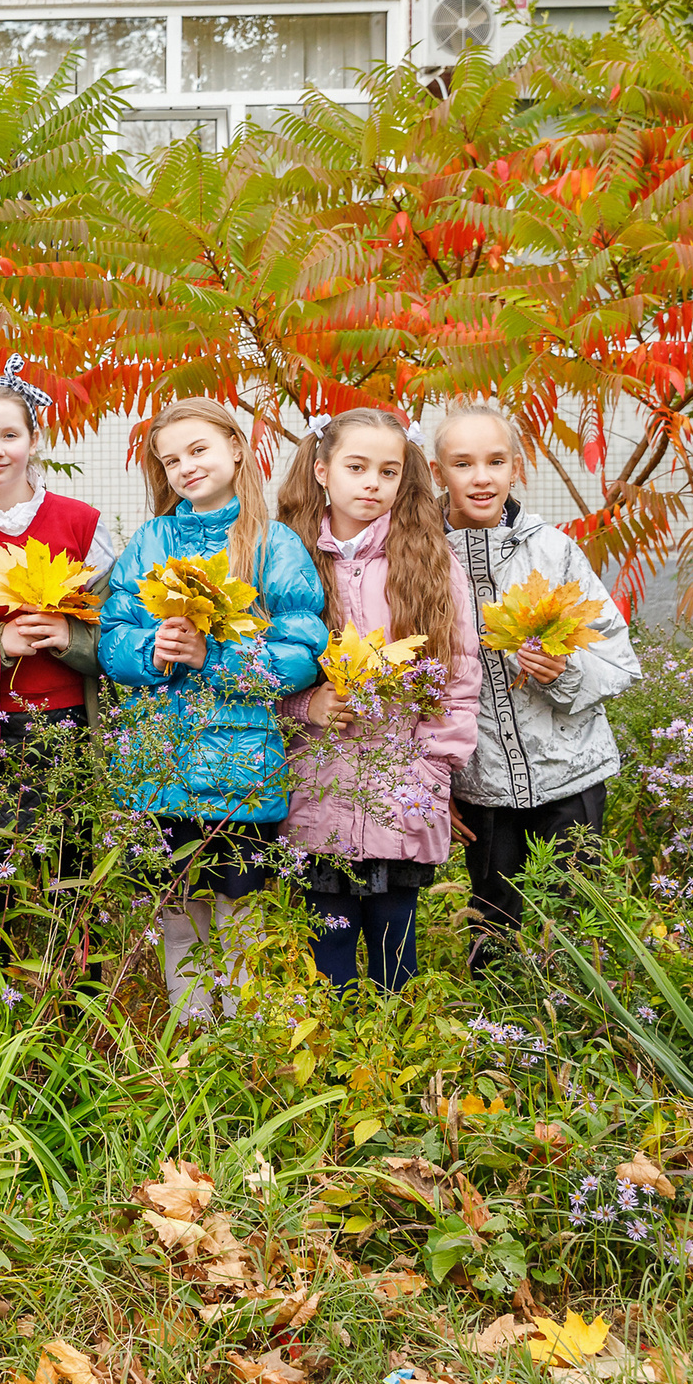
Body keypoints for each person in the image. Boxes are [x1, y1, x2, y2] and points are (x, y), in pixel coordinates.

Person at [98, 396, 326, 1023]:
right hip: (156, 765)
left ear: (235, 446)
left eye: (198, 450)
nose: (186, 468)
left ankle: (243, 1051)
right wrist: (153, 650)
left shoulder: (274, 545)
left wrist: (214, 656)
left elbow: (302, 654)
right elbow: (112, 639)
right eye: (171, 460)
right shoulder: (149, 540)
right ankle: (192, 1044)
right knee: (178, 919)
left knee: (240, 918)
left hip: (241, 769)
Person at [275, 409, 481, 992]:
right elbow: (259, 669)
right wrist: (302, 707)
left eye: (388, 471)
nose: (372, 483)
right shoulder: (285, 560)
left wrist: (431, 768)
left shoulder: (430, 561)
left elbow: (457, 675)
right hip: (315, 780)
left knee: (396, 941)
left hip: (402, 781)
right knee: (329, 939)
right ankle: (337, 1063)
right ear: (321, 470)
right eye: (357, 467)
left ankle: (402, 1064)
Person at [429, 403, 640, 967]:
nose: (481, 477)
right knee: (493, 921)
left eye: (496, 461)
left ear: (517, 467)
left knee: (577, 916)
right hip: (482, 784)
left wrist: (565, 672)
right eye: (463, 463)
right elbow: (409, 682)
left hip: (571, 775)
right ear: (436, 472)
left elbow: (618, 657)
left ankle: (579, 1029)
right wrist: (428, 780)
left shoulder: (553, 550)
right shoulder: (416, 559)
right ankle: (499, 1038)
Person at [0, 361, 116, 922]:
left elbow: (122, 623)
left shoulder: (81, 523)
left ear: (34, 440)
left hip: (67, 722)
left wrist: (72, 637)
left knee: (70, 880)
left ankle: (75, 999)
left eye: (10, 435)